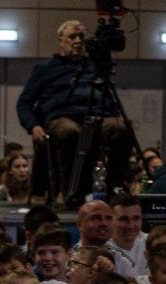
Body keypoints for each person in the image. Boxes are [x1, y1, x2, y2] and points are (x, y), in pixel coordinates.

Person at [16, 20, 130, 204]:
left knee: (121, 129)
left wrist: (116, 116)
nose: (77, 41)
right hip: (61, 118)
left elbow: (109, 98)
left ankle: (113, 186)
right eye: (72, 37)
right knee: (71, 132)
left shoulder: (94, 67)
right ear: (61, 41)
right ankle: (70, 192)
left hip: (96, 117)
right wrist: (33, 126)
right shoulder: (46, 68)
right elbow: (24, 102)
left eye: (81, 37)